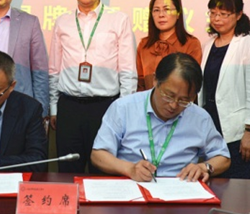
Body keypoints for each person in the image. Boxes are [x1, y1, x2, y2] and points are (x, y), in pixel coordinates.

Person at [49, 0, 136, 173]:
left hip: (104, 107)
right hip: (69, 107)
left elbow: (127, 70)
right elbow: (54, 69)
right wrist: (54, 107)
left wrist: (123, 110)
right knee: (68, 169)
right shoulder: (62, 22)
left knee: (103, 171)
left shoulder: (119, 20)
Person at [91, 52, 230, 182]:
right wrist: (130, 169)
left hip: (180, 190)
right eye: (168, 96)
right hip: (133, 187)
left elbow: (223, 157)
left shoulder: (200, 118)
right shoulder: (124, 108)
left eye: (184, 100)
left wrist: (204, 167)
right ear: (155, 80)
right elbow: (98, 155)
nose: (173, 105)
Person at [199, 0, 250, 179]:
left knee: (243, 186)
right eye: (213, 13)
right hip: (213, 124)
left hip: (240, 131)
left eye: (223, 14)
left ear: (238, 15)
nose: (216, 19)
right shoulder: (208, 45)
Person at [136, 0, 202, 91]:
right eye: (156, 10)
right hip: (147, 100)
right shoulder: (144, 45)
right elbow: (139, 82)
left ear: (178, 13)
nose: (161, 15)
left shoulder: (191, 44)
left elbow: (192, 81)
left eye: (166, 9)